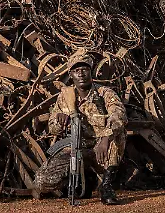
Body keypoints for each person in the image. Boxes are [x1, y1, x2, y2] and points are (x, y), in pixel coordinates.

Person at [33, 52, 127, 204]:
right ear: (71, 74)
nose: (81, 73)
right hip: (76, 147)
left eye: (85, 69)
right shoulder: (65, 97)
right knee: (41, 181)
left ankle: (106, 185)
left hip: (101, 147)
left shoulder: (105, 93)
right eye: (76, 70)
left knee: (118, 133)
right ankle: (81, 181)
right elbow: (52, 128)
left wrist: (105, 139)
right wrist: (60, 121)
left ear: (91, 71)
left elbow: (119, 116)